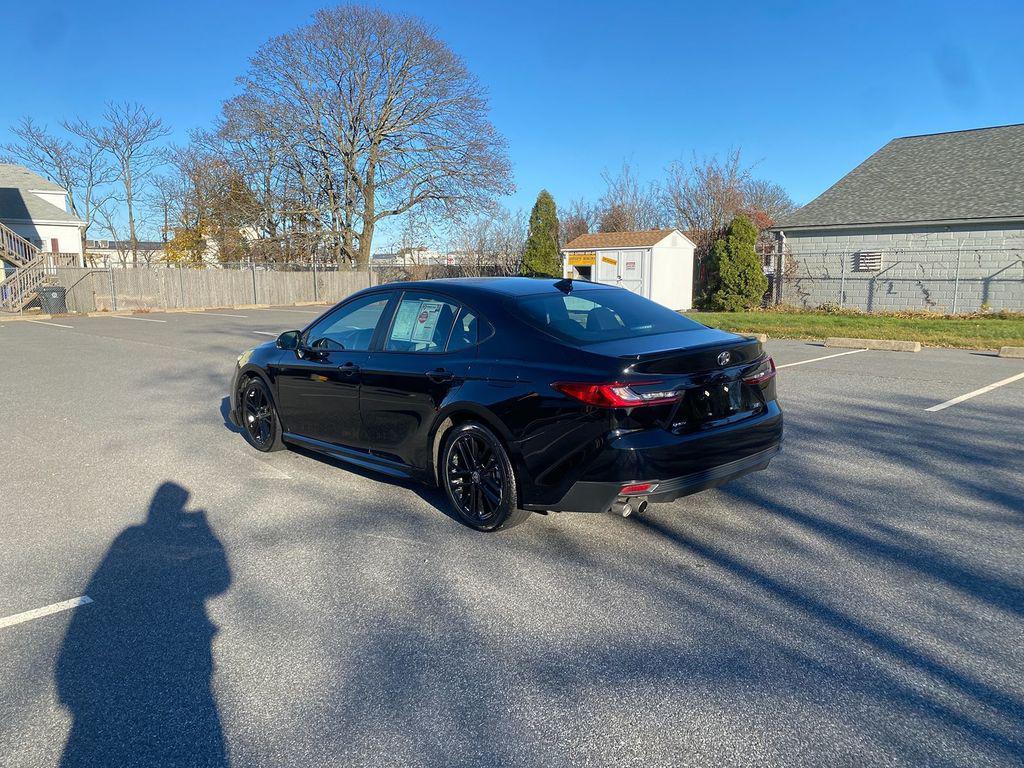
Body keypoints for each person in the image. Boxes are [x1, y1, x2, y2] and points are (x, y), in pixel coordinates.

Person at [55, 482, 231, 767]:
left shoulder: (131, 535)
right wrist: (203, 532)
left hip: (101, 694)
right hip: (189, 655)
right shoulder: (144, 535)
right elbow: (221, 581)